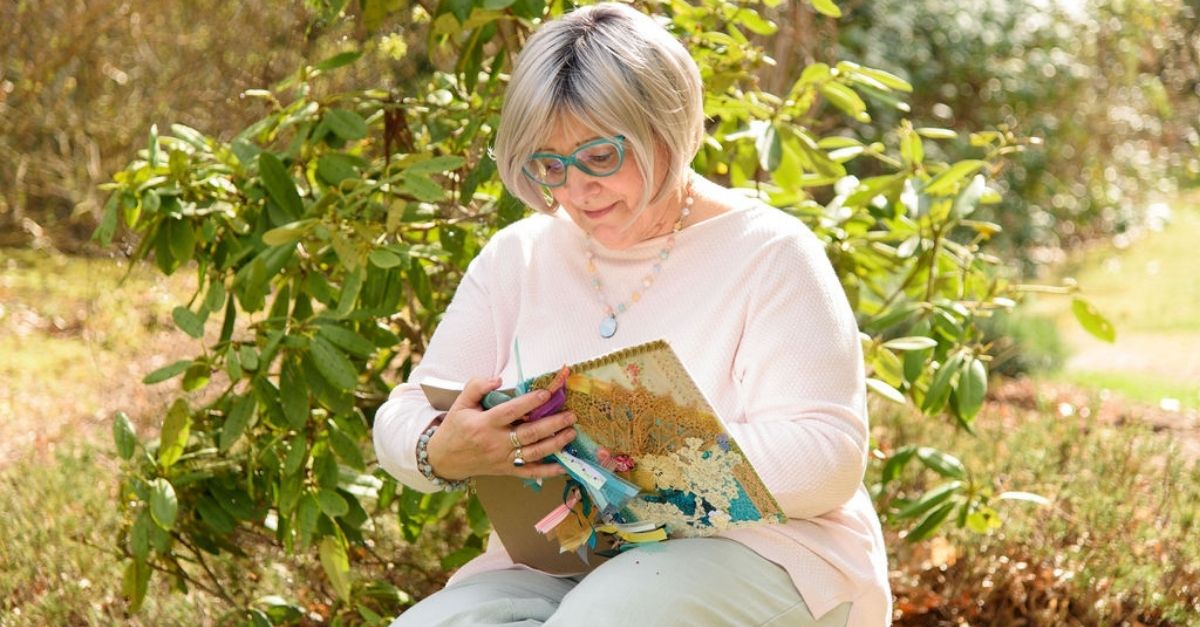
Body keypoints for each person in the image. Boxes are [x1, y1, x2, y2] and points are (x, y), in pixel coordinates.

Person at [373, 3, 891, 625]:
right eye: (549, 164)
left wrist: (630, 462)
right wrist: (442, 450)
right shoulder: (522, 253)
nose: (575, 191)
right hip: (565, 559)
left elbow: (827, 457)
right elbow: (408, 411)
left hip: (763, 551)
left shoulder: (770, 251)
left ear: (665, 125)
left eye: (599, 156)